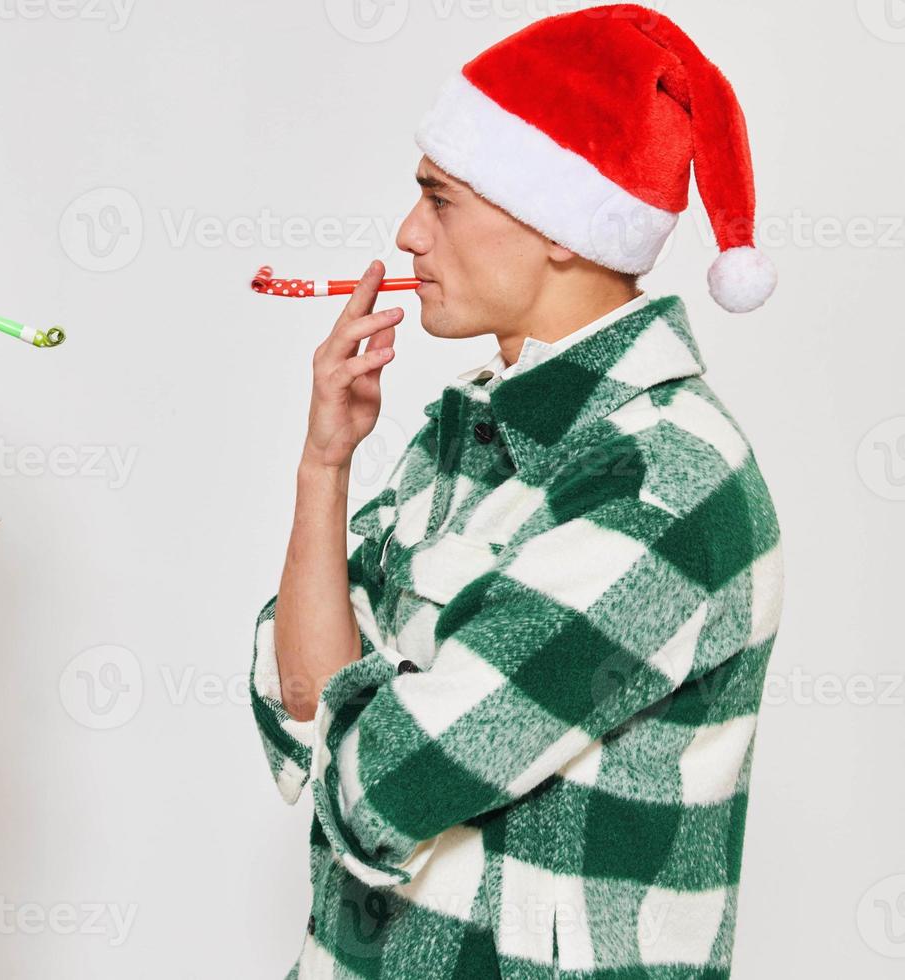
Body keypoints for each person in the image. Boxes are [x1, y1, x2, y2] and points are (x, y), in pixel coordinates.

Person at [249, 6, 784, 977]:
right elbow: (297, 704)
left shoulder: (667, 483)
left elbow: (379, 787)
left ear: (562, 228)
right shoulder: (459, 436)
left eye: (440, 197)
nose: (408, 232)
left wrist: (358, 695)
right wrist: (323, 467)